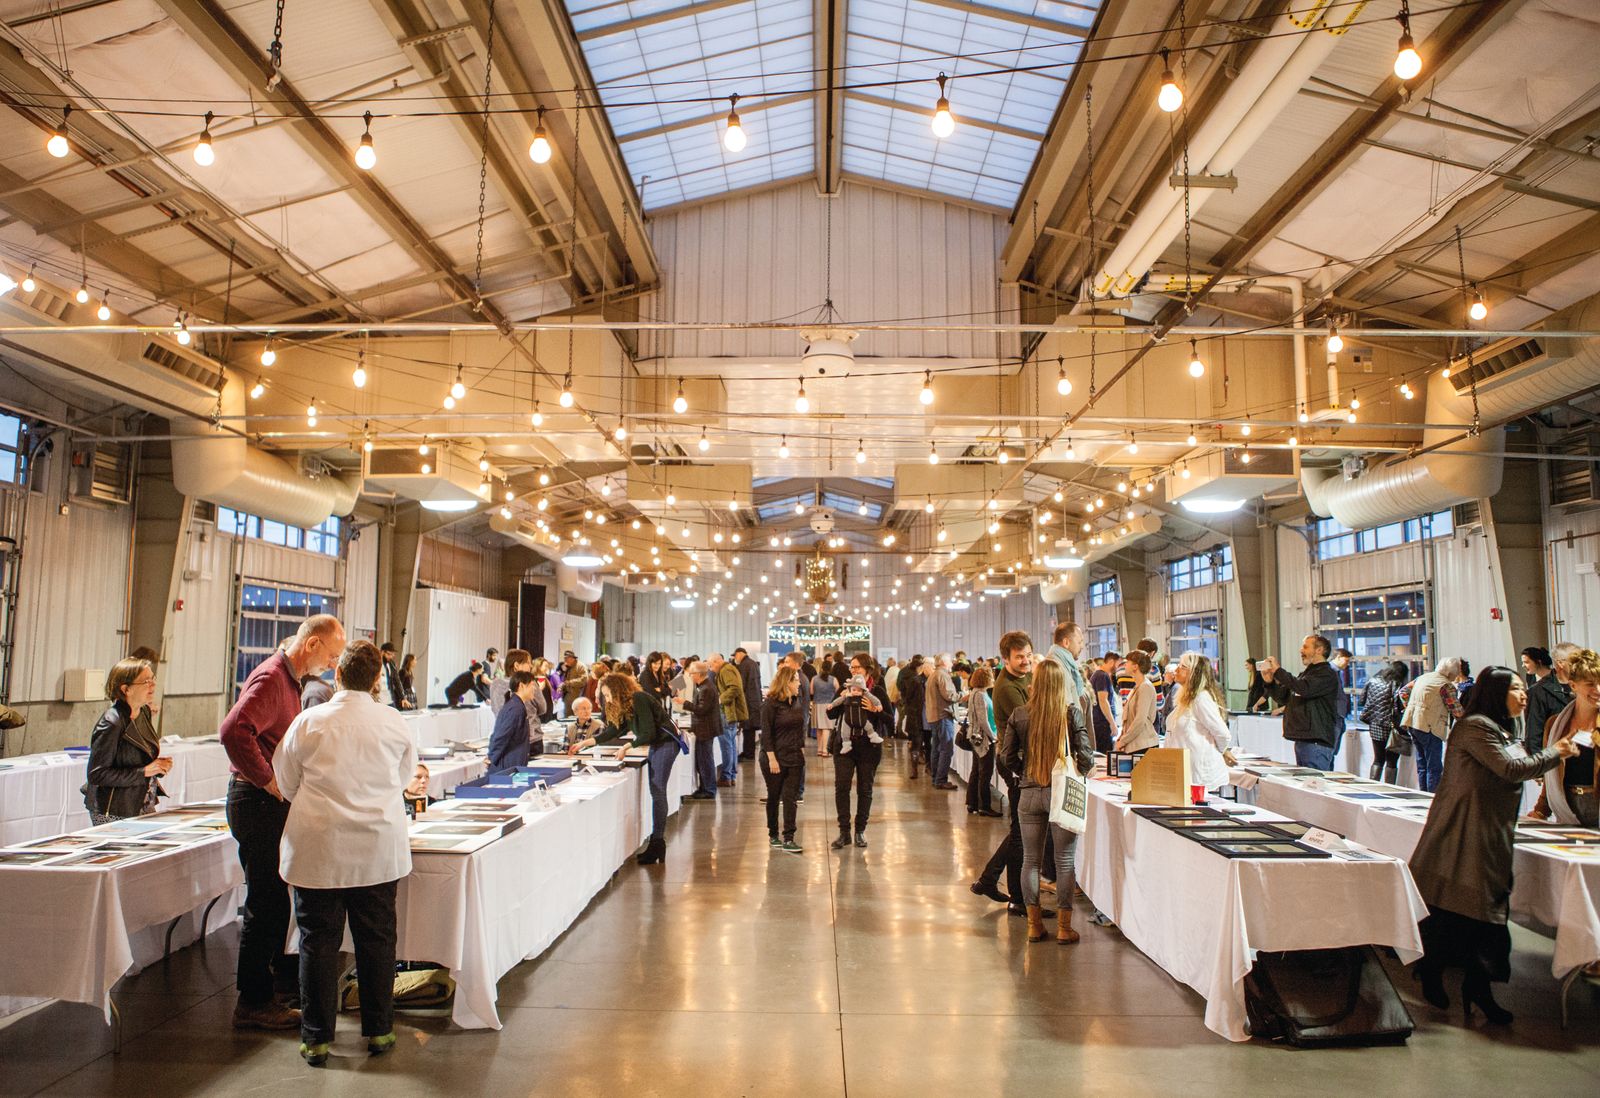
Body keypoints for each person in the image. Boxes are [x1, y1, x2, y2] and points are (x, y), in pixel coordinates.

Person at [273, 639, 415, 1065]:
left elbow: (285, 779)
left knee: (318, 942)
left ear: (337, 675)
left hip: (320, 846)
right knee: (376, 941)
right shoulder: (393, 722)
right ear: (376, 680)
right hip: (376, 846)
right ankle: (379, 1030)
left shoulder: (309, 722)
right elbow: (405, 778)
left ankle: (315, 1036)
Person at [1408, 666, 1576, 1024]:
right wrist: (1555, 752)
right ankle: (1440, 975)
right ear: (1495, 692)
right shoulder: (1476, 727)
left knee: (1481, 916)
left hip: (1488, 834)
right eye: (1516, 688)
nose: (1524, 694)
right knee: (1464, 913)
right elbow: (1510, 769)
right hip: (1465, 835)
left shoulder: (1499, 728)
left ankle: (1476, 987)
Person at [220, 613, 345, 1031]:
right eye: (331, 655)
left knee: (274, 902)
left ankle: (266, 990)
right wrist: (268, 779)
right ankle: (252, 1001)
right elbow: (234, 730)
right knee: (266, 903)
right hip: (256, 802)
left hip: (266, 801)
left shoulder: (290, 681)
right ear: (311, 645)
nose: (331, 665)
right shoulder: (274, 678)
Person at [999, 659, 1095, 944]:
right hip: (1061, 792)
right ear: (1062, 685)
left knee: (1030, 861)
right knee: (1064, 862)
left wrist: (1023, 772)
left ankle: (1033, 924)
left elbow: (1006, 757)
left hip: (1028, 793)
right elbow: (1087, 755)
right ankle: (1064, 928)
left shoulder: (1019, 714)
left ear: (1035, 685)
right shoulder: (1070, 713)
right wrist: (1080, 771)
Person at [971, 631, 1033, 914]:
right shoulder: (1007, 688)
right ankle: (1016, 899)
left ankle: (990, 880)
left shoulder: (1025, 679)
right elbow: (1029, 722)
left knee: (1020, 832)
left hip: (1021, 760)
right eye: (1019, 657)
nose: (1025, 661)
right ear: (1006, 659)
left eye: (1028, 656)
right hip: (1014, 763)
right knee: (1020, 834)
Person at [596, 669, 678, 865]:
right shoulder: (630, 703)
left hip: (666, 743)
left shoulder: (639, 698)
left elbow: (648, 732)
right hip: (659, 745)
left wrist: (626, 746)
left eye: (608, 695)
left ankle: (657, 842)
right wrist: (587, 742)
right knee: (655, 791)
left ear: (617, 690)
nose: (607, 700)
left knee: (658, 791)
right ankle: (656, 842)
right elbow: (616, 729)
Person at [84, 657, 172, 823]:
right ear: (126, 689)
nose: (152, 685)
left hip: (140, 800)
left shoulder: (143, 711)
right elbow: (97, 774)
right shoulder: (112, 723)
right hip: (113, 808)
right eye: (146, 681)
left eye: (153, 679)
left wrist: (157, 767)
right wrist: (144, 772)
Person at [1530, 647, 1599, 830]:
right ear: (1573, 685)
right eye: (1590, 684)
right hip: (1568, 811)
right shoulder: (1555, 725)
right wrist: (1541, 809)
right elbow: (1550, 771)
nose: (1598, 690)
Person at [826, 659, 889, 849]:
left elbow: (890, 720)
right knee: (842, 787)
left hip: (868, 748)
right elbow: (830, 715)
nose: (853, 671)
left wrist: (873, 710)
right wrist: (842, 699)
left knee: (865, 789)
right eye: (851, 667)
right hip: (844, 746)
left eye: (857, 667)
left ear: (867, 670)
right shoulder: (845, 689)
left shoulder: (876, 692)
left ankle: (860, 831)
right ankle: (844, 832)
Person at [1164, 652, 1234, 791]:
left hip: (1199, 776)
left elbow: (1223, 734)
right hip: (1183, 772)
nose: (1176, 670)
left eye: (1182, 667)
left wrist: (1220, 751)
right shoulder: (1185, 699)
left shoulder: (1201, 699)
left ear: (1193, 673)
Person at [761, 664, 807, 853]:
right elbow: (766, 734)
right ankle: (773, 834)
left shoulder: (796, 701)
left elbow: (799, 728)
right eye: (796, 680)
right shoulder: (770, 704)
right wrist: (772, 758)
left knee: (790, 798)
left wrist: (801, 749)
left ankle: (789, 837)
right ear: (786, 683)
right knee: (774, 797)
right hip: (774, 758)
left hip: (795, 757)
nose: (799, 683)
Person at [1401, 656, 1462, 792]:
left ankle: (1423, 795)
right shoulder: (1445, 685)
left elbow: (1403, 692)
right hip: (1430, 727)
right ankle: (1431, 799)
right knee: (1434, 767)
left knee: (1422, 764)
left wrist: (1410, 706)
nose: (1457, 674)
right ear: (1451, 672)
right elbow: (1456, 710)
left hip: (1413, 723)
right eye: (1457, 671)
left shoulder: (1422, 678)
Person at [1282, 634, 1340, 771]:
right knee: (1306, 787)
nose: (1301, 651)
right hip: (1305, 740)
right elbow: (1286, 696)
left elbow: (1304, 689)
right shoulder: (1308, 674)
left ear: (1319, 650)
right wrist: (1269, 682)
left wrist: (1279, 672)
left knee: (1315, 787)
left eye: (1305, 647)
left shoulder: (1326, 674)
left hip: (1316, 743)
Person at [1360, 660, 1409, 783]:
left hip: (1375, 724)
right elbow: (1399, 707)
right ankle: (1390, 787)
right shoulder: (1397, 684)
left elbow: (1362, 700)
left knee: (1378, 758)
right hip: (1391, 726)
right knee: (1392, 761)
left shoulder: (1372, 681)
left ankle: (1373, 784)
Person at [964, 665, 1001, 817]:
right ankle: (984, 806)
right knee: (985, 773)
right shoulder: (980, 695)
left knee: (976, 771)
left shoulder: (976, 692)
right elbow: (983, 720)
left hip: (978, 737)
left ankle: (972, 802)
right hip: (983, 738)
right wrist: (993, 737)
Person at [488, 670, 539, 773]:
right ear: (521, 686)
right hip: (507, 767)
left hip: (512, 763)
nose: (534, 689)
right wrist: (491, 757)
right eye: (532, 685)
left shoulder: (517, 705)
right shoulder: (516, 708)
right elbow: (501, 735)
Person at [1521, 645, 1569, 753]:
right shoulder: (1536, 690)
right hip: (1554, 755)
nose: (1523, 665)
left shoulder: (1580, 686)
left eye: (1526, 662)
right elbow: (1534, 734)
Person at [684, 661, 721, 800]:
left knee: (705, 760)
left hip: (705, 729)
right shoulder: (703, 686)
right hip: (703, 729)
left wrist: (685, 704)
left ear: (698, 674)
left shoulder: (706, 688)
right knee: (702, 760)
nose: (690, 676)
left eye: (692, 673)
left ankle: (709, 789)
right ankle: (704, 786)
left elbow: (701, 709)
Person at [709, 652, 747, 785]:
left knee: (727, 745)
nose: (711, 669)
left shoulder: (726, 670)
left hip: (727, 712)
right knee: (730, 745)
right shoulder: (728, 669)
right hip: (729, 712)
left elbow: (735, 688)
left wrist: (720, 699)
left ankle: (726, 776)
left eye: (711, 665)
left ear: (716, 662)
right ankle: (730, 775)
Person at [1115, 649, 1159, 753]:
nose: (1124, 665)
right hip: (1136, 744)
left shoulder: (1145, 687)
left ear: (1135, 666)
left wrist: (1123, 741)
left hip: (1142, 745)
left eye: (1127, 663)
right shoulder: (1137, 687)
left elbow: (1140, 720)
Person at [925, 654, 958, 789]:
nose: (952, 663)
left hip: (934, 716)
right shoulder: (942, 675)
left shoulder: (933, 675)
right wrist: (963, 696)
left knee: (936, 749)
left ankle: (936, 778)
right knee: (946, 749)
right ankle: (941, 779)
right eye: (950, 660)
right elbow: (949, 695)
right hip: (943, 715)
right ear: (944, 662)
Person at [733, 647, 763, 760]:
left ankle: (748, 754)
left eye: (735, 655)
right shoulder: (753, 664)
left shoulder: (744, 665)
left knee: (748, 729)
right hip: (754, 700)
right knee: (749, 729)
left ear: (740, 654)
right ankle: (747, 752)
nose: (735, 658)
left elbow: (741, 685)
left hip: (747, 702)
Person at [1089, 652, 1120, 754]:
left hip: (1099, 724)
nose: (1118, 667)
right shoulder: (1102, 676)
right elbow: (1103, 700)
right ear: (1111, 662)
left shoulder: (1098, 675)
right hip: (1103, 725)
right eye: (1117, 664)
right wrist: (1112, 723)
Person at [901, 655, 927, 779]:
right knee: (920, 744)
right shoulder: (917, 681)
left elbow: (906, 697)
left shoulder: (907, 677)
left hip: (913, 715)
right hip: (919, 716)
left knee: (915, 745)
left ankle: (914, 770)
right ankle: (920, 769)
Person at [1331, 647, 1354, 755]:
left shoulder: (1336, 672)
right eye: (1346, 660)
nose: (1348, 664)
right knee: (1330, 751)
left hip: (1338, 716)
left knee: (1333, 751)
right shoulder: (1329, 672)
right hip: (1333, 716)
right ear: (1338, 657)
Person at [379, 643, 412, 710]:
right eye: (388, 654)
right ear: (382, 652)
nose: (391, 656)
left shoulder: (392, 664)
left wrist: (403, 697)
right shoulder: (376, 664)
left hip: (390, 697)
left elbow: (397, 681)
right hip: (379, 698)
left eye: (392, 654)